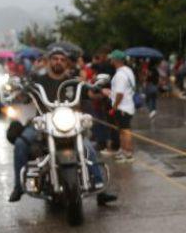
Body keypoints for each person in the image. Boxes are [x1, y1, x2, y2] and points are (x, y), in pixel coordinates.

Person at [8, 44, 115, 206]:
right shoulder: (38, 81)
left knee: (89, 148)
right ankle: (18, 187)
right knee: (20, 144)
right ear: (49, 62)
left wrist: (101, 90)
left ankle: (100, 189)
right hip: (42, 123)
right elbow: (25, 97)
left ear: (67, 63)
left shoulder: (73, 82)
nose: (58, 62)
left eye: (62, 60)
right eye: (55, 59)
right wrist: (19, 90)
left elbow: (90, 92)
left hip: (69, 123)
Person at [107, 50, 136, 162]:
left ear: (116, 60)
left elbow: (120, 93)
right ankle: (123, 149)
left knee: (125, 130)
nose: (110, 60)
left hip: (123, 107)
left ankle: (128, 153)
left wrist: (114, 106)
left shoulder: (120, 75)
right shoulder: (128, 71)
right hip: (128, 105)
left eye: (111, 58)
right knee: (122, 130)